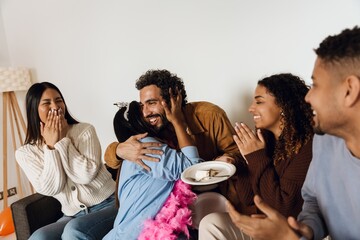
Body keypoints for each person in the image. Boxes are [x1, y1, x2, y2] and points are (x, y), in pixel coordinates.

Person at [226, 26, 360, 240]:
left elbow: (284, 206)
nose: (308, 98)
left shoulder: (309, 144)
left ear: (350, 90)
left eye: (316, 85)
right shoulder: (325, 143)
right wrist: (304, 230)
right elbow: (313, 202)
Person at [199, 73, 314, 240]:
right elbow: (248, 198)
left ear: (283, 106)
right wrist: (236, 165)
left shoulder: (308, 146)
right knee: (212, 223)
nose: (250, 108)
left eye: (259, 102)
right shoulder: (265, 140)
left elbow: (282, 209)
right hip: (263, 225)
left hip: (290, 231)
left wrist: (256, 156)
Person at [104, 69, 242, 193]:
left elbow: (238, 152)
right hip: (175, 204)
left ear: (174, 98)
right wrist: (118, 150)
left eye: (151, 103)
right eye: (142, 105)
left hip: (216, 191)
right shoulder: (150, 126)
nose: (145, 113)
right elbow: (110, 161)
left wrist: (226, 160)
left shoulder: (210, 115)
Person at [15, 82, 117, 240]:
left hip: (109, 203)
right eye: (47, 103)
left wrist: (61, 141)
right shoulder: (25, 152)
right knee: (39, 237)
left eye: (59, 100)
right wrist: (50, 147)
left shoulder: (84, 130)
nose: (55, 106)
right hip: (72, 214)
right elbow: (50, 189)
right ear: (33, 108)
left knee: (74, 231)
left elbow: (85, 176)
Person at [103, 91, 202, 239]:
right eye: (142, 109)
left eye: (150, 104)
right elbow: (194, 170)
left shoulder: (151, 144)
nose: (148, 112)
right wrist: (177, 121)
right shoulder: (146, 146)